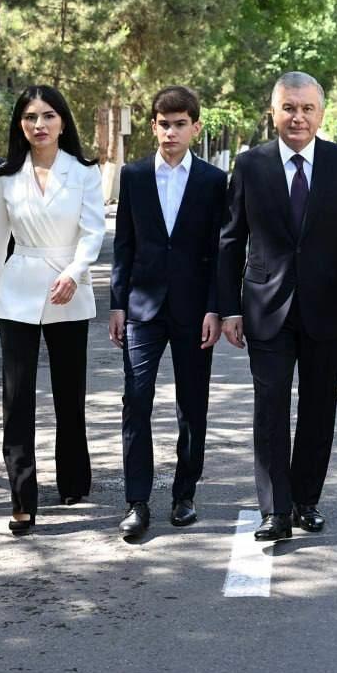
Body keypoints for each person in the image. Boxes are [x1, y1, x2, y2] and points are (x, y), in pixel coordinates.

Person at [218, 71, 337, 542]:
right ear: (273, 112)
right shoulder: (250, 165)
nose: (298, 117)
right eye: (289, 108)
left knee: (318, 407)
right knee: (269, 408)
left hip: (328, 307)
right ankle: (275, 510)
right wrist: (229, 308)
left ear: (321, 114)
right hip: (264, 307)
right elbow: (230, 240)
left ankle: (306, 500)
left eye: (307, 108)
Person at [0, 85, 105, 534]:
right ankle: (22, 498)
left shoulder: (84, 171)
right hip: (18, 290)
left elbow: (93, 231)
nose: (40, 124)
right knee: (17, 398)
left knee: (69, 393)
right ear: (20, 125)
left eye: (48, 115)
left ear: (63, 122)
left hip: (69, 288)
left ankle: (73, 479)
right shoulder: (5, 176)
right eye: (31, 117)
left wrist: (74, 272)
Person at [109, 86, 227, 539]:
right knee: (136, 399)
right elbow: (124, 245)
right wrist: (118, 303)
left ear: (195, 127)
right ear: (153, 126)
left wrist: (216, 308)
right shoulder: (134, 175)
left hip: (195, 310)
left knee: (191, 404)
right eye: (164, 124)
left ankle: (184, 494)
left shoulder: (214, 181)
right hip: (142, 307)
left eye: (180, 124)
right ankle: (137, 501)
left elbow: (220, 251)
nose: (171, 132)